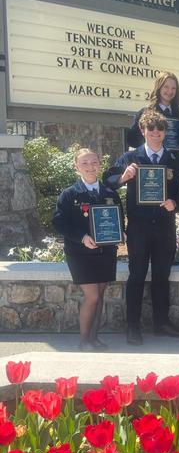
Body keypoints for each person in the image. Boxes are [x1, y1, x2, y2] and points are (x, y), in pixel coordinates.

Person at [104, 109, 179, 345]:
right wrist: (123, 178)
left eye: (160, 129)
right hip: (139, 227)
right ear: (142, 131)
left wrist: (176, 202)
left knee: (162, 275)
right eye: (151, 129)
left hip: (164, 228)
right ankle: (133, 326)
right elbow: (107, 182)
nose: (155, 133)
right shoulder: (130, 158)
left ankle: (161, 323)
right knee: (137, 275)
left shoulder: (175, 160)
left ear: (165, 132)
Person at [52, 148, 123, 350]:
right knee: (92, 296)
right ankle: (84, 340)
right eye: (84, 163)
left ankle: (94, 338)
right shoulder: (69, 194)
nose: (90, 167)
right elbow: (59, 222)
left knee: (100, 296)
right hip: (80, 253)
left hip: (105, 253)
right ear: (76, 167)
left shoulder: (110, 193)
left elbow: (119, 218)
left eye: (93, 162)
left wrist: (121, 233)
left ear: (99, 164)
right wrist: (82, 237)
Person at [126, 71, 179, 149]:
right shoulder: (144, 114)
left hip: (176, 160)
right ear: (159, 87)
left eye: (173, 88)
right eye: (166, 87)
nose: (170, 91)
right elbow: (132, 141)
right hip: (153, 159)